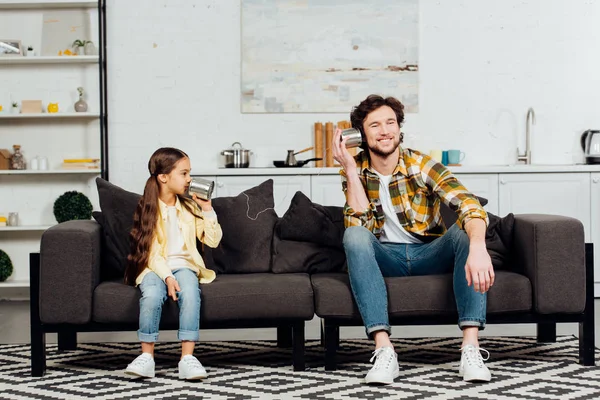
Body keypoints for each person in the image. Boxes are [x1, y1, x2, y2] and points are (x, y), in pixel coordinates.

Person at [332, 95, 494, 385]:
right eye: (375, 125)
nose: (385, 131)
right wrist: (350, 170)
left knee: (463, 229)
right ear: (361, 134)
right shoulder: (354, 170)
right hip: (387, 257)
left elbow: (468, 204)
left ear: (399, 128)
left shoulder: (421, 164)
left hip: (430, 252)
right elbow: (358, 224)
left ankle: (470, 347)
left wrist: (479, 247)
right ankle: (384, 351)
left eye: (390, 122)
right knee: (354, 235)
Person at [123, 147, 222, 380]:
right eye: (184, 174)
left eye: (189, 174)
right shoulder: (148, 208)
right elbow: (151, 253)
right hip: (152, 266)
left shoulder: (189, 207)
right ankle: (147, 357)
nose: (189, 180)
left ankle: (187, 358)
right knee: (152, 295)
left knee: (190, 291)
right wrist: (167, 276)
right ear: (163, 177)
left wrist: (207, 209)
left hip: (185, 264)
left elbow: (213, 241)